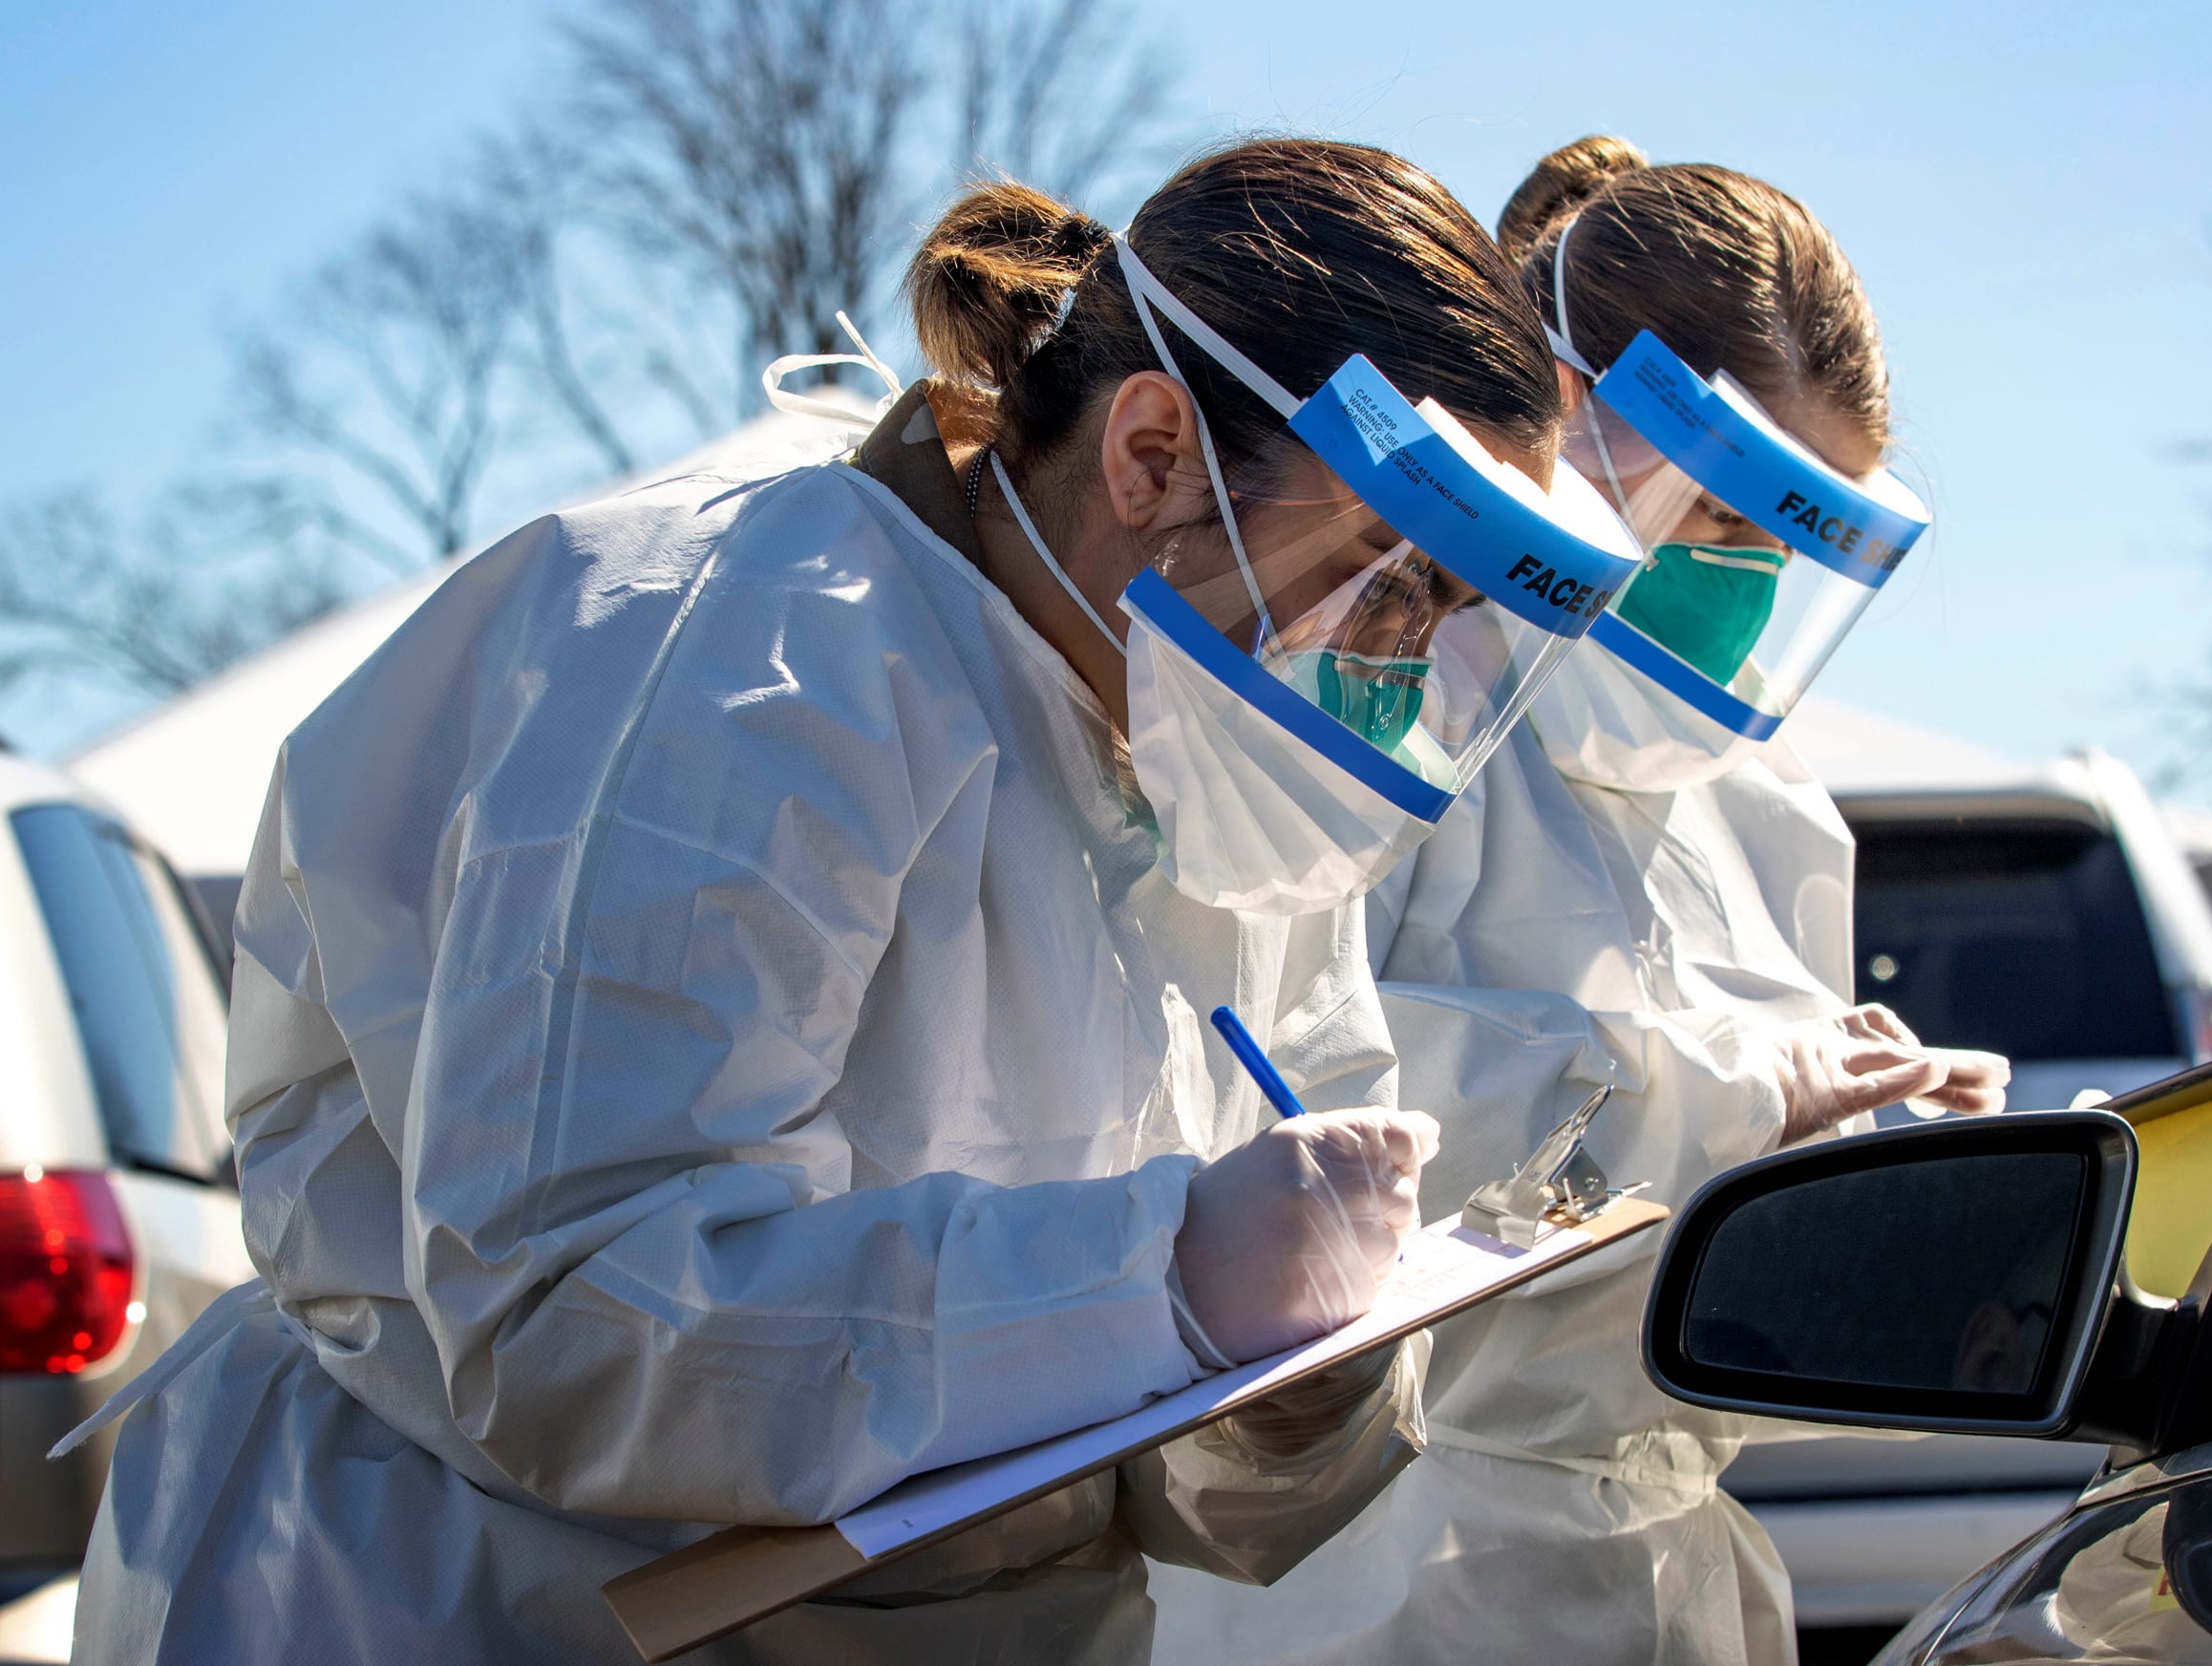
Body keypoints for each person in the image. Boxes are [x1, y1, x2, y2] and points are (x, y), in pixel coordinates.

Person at [62, 139, 1639, 1664]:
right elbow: (576, 1326)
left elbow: (1171, 1444)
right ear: (1153, 452)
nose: (1396, 661)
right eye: (1380, 570)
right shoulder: (748, 655)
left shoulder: (1204, 758)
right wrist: (1160, 1277)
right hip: (473, 1606)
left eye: (1440, 610)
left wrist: (1304, 1391)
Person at [1151, 136, 2010, 1666]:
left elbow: (1711, 1318)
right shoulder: (1377, 694)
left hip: (1660, 1565)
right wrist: (1731, 1101)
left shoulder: (1764, 800)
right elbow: (1263, 1100)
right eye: (1722, 517)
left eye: (1784, 543)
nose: (1741, 582)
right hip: (1379, 1574)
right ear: (1571, 418)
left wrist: (1891, 1172)